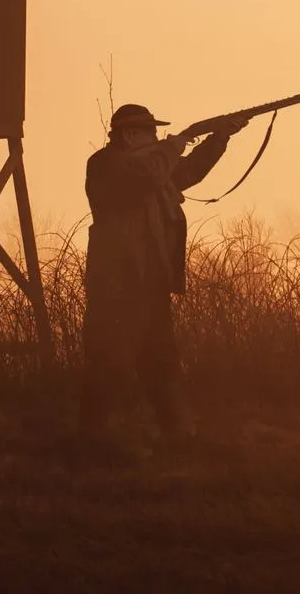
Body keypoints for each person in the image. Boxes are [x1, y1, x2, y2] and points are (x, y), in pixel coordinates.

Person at [79, 101, 248, 455]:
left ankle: (178, 437)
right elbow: (151, 175)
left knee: (161, 362)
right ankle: (96, 441)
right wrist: (173, 146)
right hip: (117, 286)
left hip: (150, 284)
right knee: (111, 363)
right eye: (150, 133)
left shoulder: (150, 165)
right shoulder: (107, 165)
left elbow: (187, 173)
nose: (157, 138)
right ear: (130, 135)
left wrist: (219, 138)